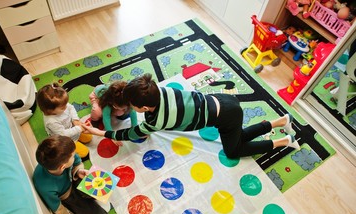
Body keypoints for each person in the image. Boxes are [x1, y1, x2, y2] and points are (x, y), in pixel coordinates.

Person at [81, 73, 300, 159]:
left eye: (133, 106)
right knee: (238, 135)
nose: (131, 109)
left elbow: (130, 133)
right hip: (221, 101)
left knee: (233, 150)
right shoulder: (160, 90)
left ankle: (283, 141)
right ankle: (281, 121)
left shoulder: (157, 121)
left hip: (227, 114)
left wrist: (97, 131)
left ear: (145, 108)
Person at [33, 135, 109, 214]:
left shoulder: (63, 160)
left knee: (102, 183)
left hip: (73, 179)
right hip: (68, 195)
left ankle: (88, 197)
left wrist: (78, 171)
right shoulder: (45, 186)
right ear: (63, 167)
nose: (75, 155)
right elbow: (58, 209)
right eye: (72, 156)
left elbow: (77, 162)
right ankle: (85, 202)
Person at [36, 83, 92, 159]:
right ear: (50, 111)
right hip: (64, 139)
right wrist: (79, 128)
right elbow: (63, 134)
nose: (66, 106)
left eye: (66, 104)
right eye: (63, 107)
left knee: (89, 137)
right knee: (84, 152)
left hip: (71, 128)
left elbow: (71, 107)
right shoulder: (51, 121)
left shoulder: (62, 105)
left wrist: (75, 119)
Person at [89, 80, 138, 146]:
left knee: (120, 112)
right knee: (97, 111)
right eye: (119, 107)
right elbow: (106, 118)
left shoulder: (128, 98)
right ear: (112, 103)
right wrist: (112, 136)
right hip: (97, 95)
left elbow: (132, 110)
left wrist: (135, 127)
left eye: (124, 108)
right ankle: (94, 120)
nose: (124, 109)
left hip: (110, 92)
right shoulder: (108, 102)